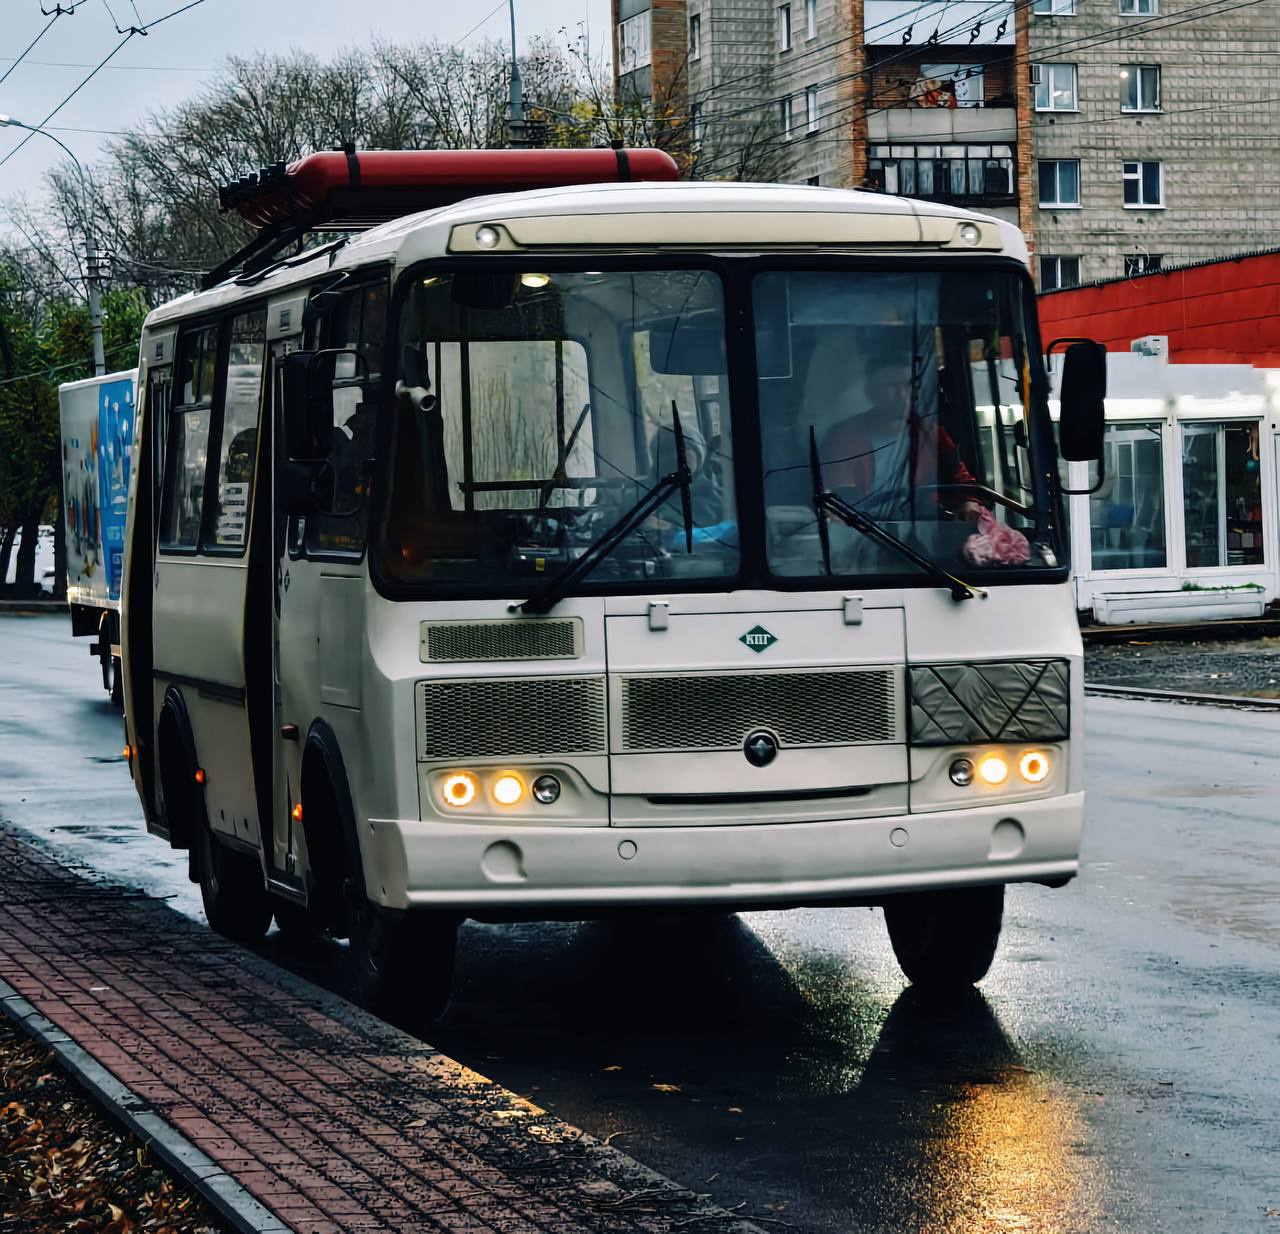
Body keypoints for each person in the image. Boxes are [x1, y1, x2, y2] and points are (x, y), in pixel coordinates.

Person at [820, 349, 983, 522]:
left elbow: (959, 479)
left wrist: (970, 502)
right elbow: (841, 494)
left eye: (907, 385)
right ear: (870, 391)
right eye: (890, 386)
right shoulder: (846, 436)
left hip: (922, 529)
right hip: (866, 530)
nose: (902, 394)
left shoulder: (932, 435)